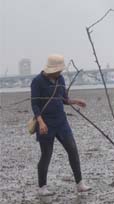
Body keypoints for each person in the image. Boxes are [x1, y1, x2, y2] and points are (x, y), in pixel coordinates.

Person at [31, 54, 91, 196]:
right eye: (58, 70)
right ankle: (42, 187)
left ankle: (80, 184)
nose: (60, 72)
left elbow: (63, 99)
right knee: (46, 154)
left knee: (72, 150)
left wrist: (75, 101)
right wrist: (41, 122)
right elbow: (34, 104)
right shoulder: (37, 81)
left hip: (61, 122)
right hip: (45, 123)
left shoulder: (60, 79)